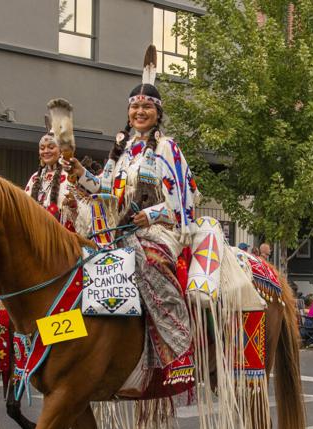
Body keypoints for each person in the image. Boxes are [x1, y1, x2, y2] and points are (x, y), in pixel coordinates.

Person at [69, 44, 199, 369]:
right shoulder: (122, 151)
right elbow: (103, 187)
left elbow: (188, 197)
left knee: (148, 265)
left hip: (159, 231)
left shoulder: (168, 148)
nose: (140, 112)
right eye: (135, 106)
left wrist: (150, 214)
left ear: (158, 112)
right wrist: (79, 174)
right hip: (119, 230)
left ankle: (173, 342)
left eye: (147, 106)